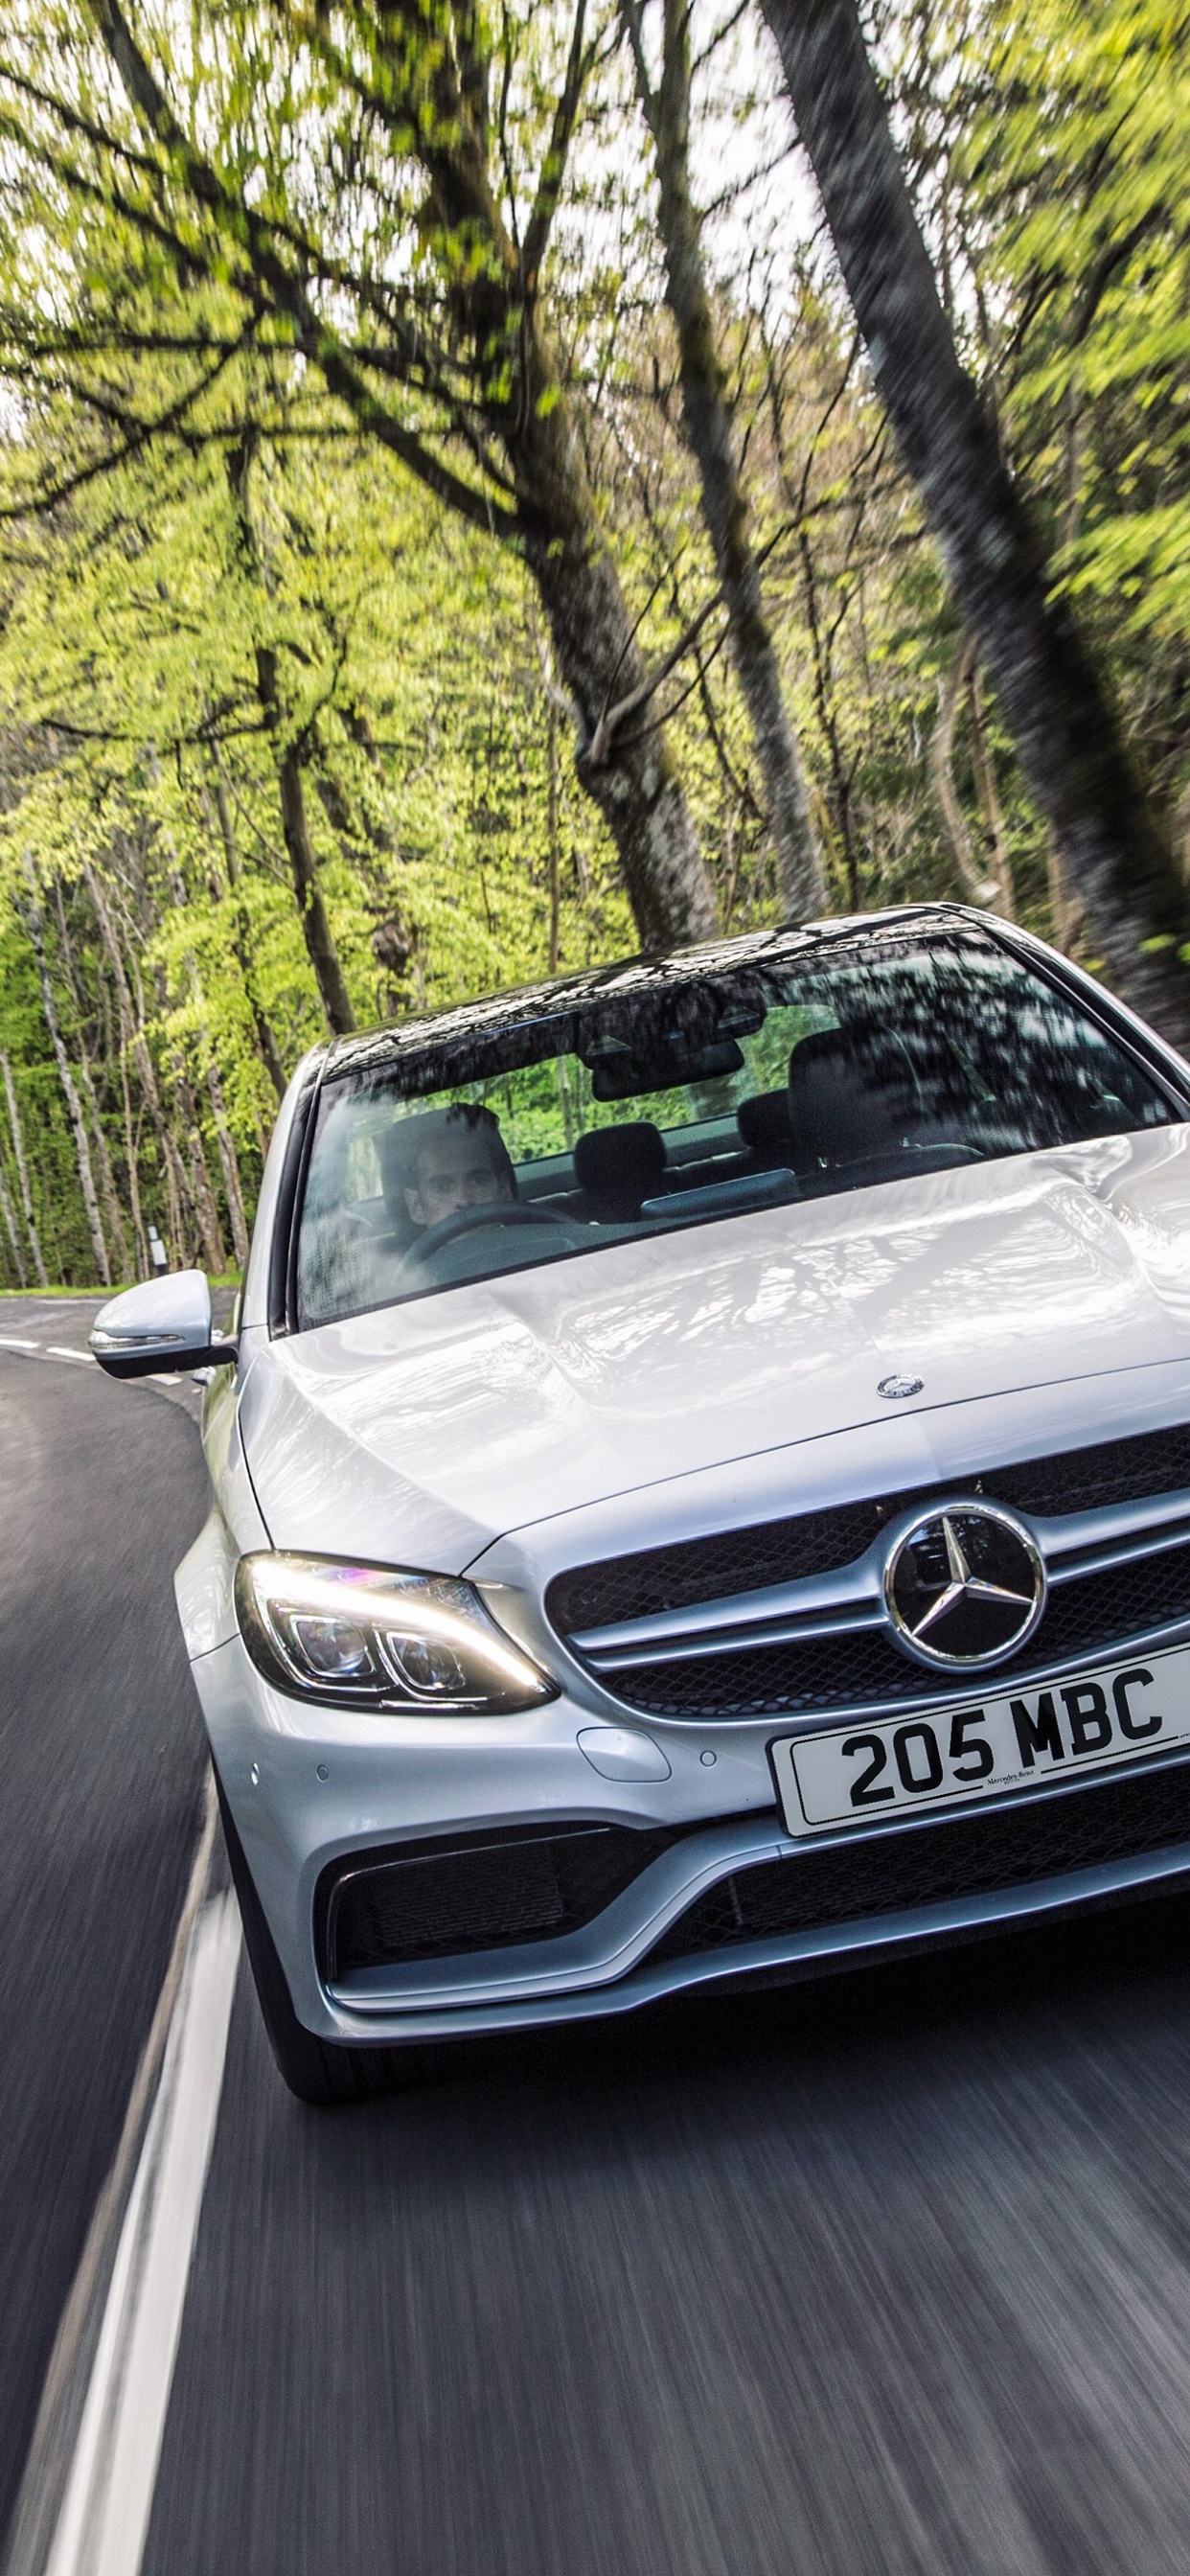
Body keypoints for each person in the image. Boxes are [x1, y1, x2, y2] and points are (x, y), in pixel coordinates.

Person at [390, 1102, 516, 1233]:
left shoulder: (536, 1246)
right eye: (441, 1187)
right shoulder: (388, 1255)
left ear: (504, 1190)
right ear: (416, 1206)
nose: (463, 1200)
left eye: (478, 1181)